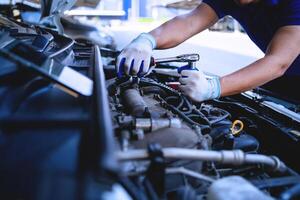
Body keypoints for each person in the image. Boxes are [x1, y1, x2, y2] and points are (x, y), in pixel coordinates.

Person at [117, 0, 300, 102]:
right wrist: (146, 41)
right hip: (286, 78)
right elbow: (190, 21)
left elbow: (279, 61)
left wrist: (214, 88)